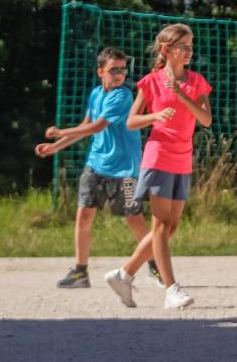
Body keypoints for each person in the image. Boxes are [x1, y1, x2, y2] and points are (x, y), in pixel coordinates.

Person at [103, 23, 211, 310]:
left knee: (171, 227)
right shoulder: (150, 81)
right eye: (183, 46)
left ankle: (123, 274)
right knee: (161, 224)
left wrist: (182, 95)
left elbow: (206, 120)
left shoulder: (197, 81)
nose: (189, 51)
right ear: (166, 50)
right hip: (158, 156)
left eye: (191, 46)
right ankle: (171, 288)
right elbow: (130, 121)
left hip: (182, 159)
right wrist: (155, 116)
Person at [33, 47, 161, 289]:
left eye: (123, 70)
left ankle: (156, 266)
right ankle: (80, 273)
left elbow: (97, 127)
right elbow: (86, 125)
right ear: (100, 71)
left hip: (125, 169)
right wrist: (57, 146)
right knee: (84, 215)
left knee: (134, 219)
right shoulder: (95, 94)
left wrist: (61, 131)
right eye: (114, 70)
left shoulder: (122, 96)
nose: (120, 74)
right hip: (96, 164)